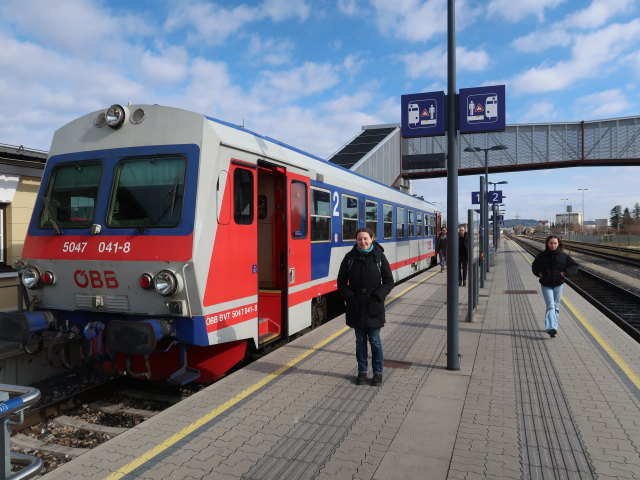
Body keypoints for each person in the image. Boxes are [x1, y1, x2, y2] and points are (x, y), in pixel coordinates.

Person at [337, 228, 394, 386]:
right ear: (356, 240)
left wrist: (378, 296)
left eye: (365, 239)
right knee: (360, 340)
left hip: (373, 305)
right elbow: (341, 283)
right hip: (356, 305)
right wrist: (351, 297)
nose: (362, 242)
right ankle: (362, 371)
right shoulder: (349, 258)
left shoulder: (379, 257)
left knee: (375, 340)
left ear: (372, 239)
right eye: (359, 239)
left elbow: (389, 281)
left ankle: (378, 372)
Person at [531, 235, 579, 338]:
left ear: (558, 244)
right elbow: (534, 266)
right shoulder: (542, 256)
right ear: (547, 244)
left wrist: (565, 273)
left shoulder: (564, 256)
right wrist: (539, 273)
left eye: (555, 243)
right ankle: (551, 328)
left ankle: (554, 327)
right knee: (551, 306)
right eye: (551, 243)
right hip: (546, 284)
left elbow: (574, 266)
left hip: (558, 284)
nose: (553, 245)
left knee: (556, 306)